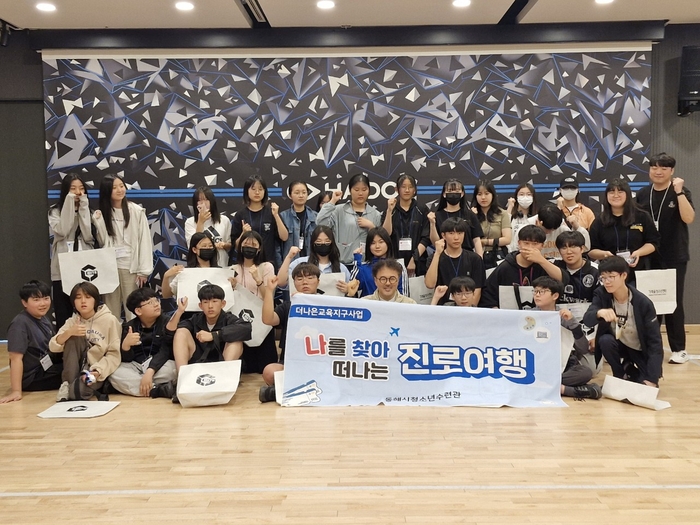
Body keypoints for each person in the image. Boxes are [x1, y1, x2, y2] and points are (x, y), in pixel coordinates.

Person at [636, 152, 695, 364]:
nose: (658, 171)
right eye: (654, 167)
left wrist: (679, 192)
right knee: (648, 302)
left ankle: (679, 349)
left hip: (674, 255)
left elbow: (689, 218)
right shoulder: (643, 194)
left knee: (673, 302)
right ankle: (649, 346)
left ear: (672, 171)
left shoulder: (680, 191)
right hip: (649, 255)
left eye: (663, 168)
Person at [583, 256, 663, 388]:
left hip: (638, 348)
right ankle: (620, 375)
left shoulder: (643, 303)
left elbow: (655, 342)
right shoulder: (601, 294)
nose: (607, 282)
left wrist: (652, 379)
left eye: (611, 277)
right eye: (603, 278)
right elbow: (587, 319)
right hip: (619, 344)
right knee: (605, 340)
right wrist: (599, 313)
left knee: (644, 384)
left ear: (624, 275)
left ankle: (629, 367)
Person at [259, 263, 323, 403]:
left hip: (321, 361)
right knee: (269, 372)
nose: (305, 282)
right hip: (292, 362)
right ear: (294, 283)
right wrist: (269, 291)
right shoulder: (288, 306)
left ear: (318, 281)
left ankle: (280, 392)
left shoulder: (328, 304)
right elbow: (268, 319)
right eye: (299, 279)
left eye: (310, 278)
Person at [93, 174, 153, 320]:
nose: (120, 190)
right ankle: (113, 334)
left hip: (131, 267)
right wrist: (98, 222)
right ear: (107, 191)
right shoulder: (102, 213)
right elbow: (102, 242)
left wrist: (144, 271)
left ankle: (133, 334)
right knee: (110, 310)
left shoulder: (136, 211)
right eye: (114, 187)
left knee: (133, 308)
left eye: (121, 186)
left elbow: (144, 240)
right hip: (110, 267)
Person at [531, 276, 602, 400]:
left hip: (562, 362)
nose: (537, 295)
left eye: (542, 291)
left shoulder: (565, 316)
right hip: (536, 362)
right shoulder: (528, 316)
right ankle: (569, 390)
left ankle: (539, 385)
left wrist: (573, 325)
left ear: (555, 296)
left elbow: (583, 348)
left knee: (585, 372)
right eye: (535, 291)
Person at [49, 282, 121, 401]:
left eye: (88, 297)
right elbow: (53, 346)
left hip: (95, 370)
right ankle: (67, 384)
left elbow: (114, 354)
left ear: (95, 300)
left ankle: (73, 387)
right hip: (74, 369)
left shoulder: (110, 320)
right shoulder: (73, 321)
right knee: (73, 337)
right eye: (78, 298)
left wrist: (98, 371)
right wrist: (69, 332)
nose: (83, 301)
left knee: (77, 393)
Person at [168, 284, 252, 380]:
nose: (210, 306)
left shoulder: (229, 318)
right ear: (200, 305)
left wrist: (214, 335)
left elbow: (246, 328)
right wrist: (179, 311)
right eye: (206, 302)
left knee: (236, 339)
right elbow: (168, 333)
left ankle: (225, 379)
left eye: (214, 301)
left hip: (223, 363)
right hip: (198, 363)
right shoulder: (196, 319)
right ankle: (183, 378)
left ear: (223, 304)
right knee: (181, 332)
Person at [107, 288, 178, 398]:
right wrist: (126, 346)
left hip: (159, 366)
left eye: (156, 300)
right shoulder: (129, 327)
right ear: (138, 311)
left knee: (173, 369)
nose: (156, 304)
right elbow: (127, 359)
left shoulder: (167, 322)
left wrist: (150, 372)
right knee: (114, 372)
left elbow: (165, 351)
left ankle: (138, 386)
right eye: (150, 303)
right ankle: (156, 390)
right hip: (136, 366)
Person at [48, 174, 98, 329]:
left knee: (86, 306)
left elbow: (88, 235)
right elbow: (63, 230)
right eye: (73, 189)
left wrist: (83, 208)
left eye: (81, 188)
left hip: (85, 264)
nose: (78, 192)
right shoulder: (55, 211)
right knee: (63, 310)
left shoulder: (90, 211)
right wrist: (69, 204)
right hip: (62, 265)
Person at [0, 281, 62, 404]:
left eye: (46, 298)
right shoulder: (19, 325)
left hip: (47, 367)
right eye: (36, 300)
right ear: (24, 302)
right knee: (73, 372)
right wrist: (16, 391)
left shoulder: (43, 318)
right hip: (33, 377)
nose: (43, 303)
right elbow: (15, 358)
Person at [479, 225, 568, 308]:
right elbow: (488, 294)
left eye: (535, 244)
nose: (530, 247)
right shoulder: (505, 266)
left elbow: (563, 280)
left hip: (539, 313)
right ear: (519, 243)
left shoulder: (544, 265)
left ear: (542, 246)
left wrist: (541, 260)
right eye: (526, 243)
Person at [588, 179, 659, 281]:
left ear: (628, 194)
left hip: (638, 273)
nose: (616, 195)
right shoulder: (599, 221)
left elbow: (653, 243)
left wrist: (638, 253)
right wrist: (605, 255)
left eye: (620, 191)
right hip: (610, 274)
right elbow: (591, 251)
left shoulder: (642, 216)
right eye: (612, 192)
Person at [230, 230, 278, 373]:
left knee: (265, 366)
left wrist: (258, 280)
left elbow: (268, 296)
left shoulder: (266, 267)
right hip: (241, 319)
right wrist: (232, 287)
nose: (249, 247)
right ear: (240, 247)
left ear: (259, 248)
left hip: (262, 318)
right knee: (247, 368)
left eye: (253, 245)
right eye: (246, 244)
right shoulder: (233, 269)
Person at [316, 173, 382, 269]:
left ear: (369, 191)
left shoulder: (375, 214)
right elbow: (320, 223)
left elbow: (382, 240)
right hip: (343, 263)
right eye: (356, 190)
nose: (360, 193)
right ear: (350, 190)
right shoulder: (339, 210)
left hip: (367, 264)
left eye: (364, 190)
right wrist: (332, 201)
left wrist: (372, 227)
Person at [230, 175, 288, 269]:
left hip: (268, 263)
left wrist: (276, 216)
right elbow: (236, 246)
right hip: (246, 264)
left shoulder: (271, 212)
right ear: (247, 191)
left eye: (260, 189)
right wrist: (243, 234)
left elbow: (284, 237)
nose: (257, 192)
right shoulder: (240, 215)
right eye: (253, 189)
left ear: (265, 191)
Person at [424, 217, 486, 305]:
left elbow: (477, 290)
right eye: (451, 233)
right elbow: (430, 284)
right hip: (443, 307)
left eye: (460, 233)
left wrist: (468, 310)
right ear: (443, 235)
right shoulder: (435, 258)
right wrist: (437, 254)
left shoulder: (474, 259)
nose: (456, 237)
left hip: (467, 308)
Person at [277, 225, 353, 295]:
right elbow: (281, 282)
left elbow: (352, 291)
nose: (323, 244)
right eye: (319, 242)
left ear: (332, 243)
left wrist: (348, 290)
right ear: (313, 243)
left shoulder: (342, 268)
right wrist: (289, 257)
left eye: (327, 241)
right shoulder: (300, 263)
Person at [381, 174, 431, 276]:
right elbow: (385, 234)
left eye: (410, 187)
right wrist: (389, 211)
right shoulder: (391, 209)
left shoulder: (422, 209)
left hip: (418, 262)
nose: (407, 190)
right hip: (394, 261)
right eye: (403, 187)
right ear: (397, 189)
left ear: (415, 190)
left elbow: (426, 238)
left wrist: (414, 259)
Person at [428, 178, 484, 256]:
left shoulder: (470, 215)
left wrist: (480, 258)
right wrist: (432, 224)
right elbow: (435, 243)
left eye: (457, 191)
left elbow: (476, 240)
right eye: (450, 191)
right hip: (445, 257)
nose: (453, 194)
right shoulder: (437, 216)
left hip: (467, 256)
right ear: (444, 194)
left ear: (462, 193)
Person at [352, 227, 408, 297]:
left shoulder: (398, 266)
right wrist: (357, 261)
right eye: (373, 243)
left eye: (381, 242)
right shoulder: (363, 267)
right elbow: (352, 288)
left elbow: (404, 295)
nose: (377, 246)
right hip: (368, 303)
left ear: (388, 243)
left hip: (393, 303)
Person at [161, 232, 218, 299]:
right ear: (194, 249)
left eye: (210, 246)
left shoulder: (220, 272)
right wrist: (166, 276)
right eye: (204, 246)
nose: (208, 248)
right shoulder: (185, 272)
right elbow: (166, 295)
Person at [184, 186, 232, 266]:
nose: (203, 203)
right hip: (199, 268)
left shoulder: (224, 220)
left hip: (221, 266)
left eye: (206, 199)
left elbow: (230, 245)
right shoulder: (190, 222)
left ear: (212, 201)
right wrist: (200, 221)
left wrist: (223, 245)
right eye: (199, 200)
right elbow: (192, 245)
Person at [472, 179, 512, 269]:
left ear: (493, 195)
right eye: (479, 194)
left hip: (498, 254)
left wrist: (485, 242)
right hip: (476, 255)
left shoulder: (502, 213)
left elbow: (507, 239)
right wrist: (472, 218)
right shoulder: (471, 214)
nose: (483, 197)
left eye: (486, 193)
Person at [277, 181, 318, 268]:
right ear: (290, 195)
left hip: (312, 263)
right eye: (297, 193)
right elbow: (277, 246)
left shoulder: (315, 217)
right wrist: (280, 266)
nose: (301, 195)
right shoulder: (283, 216)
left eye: (304, 192)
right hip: (290, 264)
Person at [553, 231, 599, 304]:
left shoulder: (596, 271)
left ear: (582, 249)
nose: (569, 252)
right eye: (564, 248)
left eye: (573, 247)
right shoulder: (553, 267)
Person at [506, 182, 538, 252]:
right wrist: (510, 207)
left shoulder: (536, 218)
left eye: (529, 194)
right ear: (516, 197)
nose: (525, 197)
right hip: (511, 253)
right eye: (521, 194)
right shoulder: (511, 216)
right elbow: (504, 226)